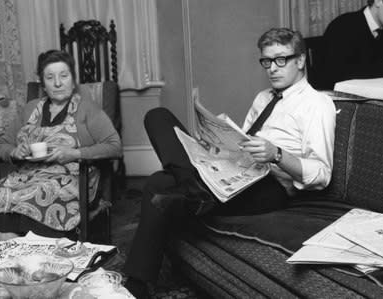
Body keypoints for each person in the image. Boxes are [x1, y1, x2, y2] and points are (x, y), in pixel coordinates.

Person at [123, 28, 336, 298]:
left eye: (281, 59)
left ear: (301, 60)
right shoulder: (263, 98)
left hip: (271, 188)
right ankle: (194, 185)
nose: (272, 68)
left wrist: (277, 154)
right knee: (158, 116)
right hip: (237, 173)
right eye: (267, 61)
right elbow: (241, 146)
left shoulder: (318, 104)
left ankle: (135, 286)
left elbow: (321, 174)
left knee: (158, 183)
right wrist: (215, 147)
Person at [0, 50, 122, 241]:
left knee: (41, 192)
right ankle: (21, 261)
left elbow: (114, 146)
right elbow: (2, 144)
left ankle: (31, 259)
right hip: (26, 177)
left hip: (71, 180)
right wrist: (14, 151)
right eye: (50, 77)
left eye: (64, 76)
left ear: (73, 80)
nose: (58, 83)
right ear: (43, 84)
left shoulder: (87, 109)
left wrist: (74, 153)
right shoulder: (30, 108)